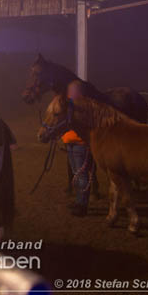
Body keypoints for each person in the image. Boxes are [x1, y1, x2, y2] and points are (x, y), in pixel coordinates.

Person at [62, 81, 94, 217]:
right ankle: (78, 200)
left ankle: (82, 205)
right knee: (76, 174)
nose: (69, 92)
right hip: (70, 142)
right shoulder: (70, 104)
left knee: (81, 175)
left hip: (80, 144)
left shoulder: (85, 106)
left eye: (72, 90)